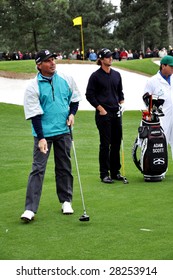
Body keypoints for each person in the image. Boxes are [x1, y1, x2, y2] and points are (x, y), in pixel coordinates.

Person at [21, 49, 82, 222]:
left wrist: (72, 114)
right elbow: (34, 114)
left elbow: (75, 98)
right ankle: (30, 209)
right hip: (44, 134)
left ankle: (66, 201)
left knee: (64, 167)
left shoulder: (65, 79)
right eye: (48, 60)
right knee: (38, 169)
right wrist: (41, 138)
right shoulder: (33, 86)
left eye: (53, 59)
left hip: (63, 131)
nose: (53, 62)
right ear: (39, 65)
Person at [85, 48, 125, 183]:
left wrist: (122, 102)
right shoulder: (95, 76)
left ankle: (115, 172)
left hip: (116, 112)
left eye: (111, 56)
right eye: (107, 57)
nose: (110, 59)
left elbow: (120, 92)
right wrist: (100, 108)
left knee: (116, 143)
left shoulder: (117, 74)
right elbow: (89, 95)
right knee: (105, 144)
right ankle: (104, 174)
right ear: (101, 59)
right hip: (103, 114)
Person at [143, 55, 173, 159]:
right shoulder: (153, 81)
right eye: (171, 66)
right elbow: (146, 99)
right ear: (163, 66)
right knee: (161, 142)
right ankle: (160, 168)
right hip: (162, 117)